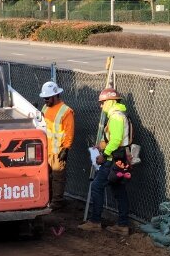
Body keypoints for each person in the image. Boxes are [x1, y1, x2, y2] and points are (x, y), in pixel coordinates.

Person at [80, 86, 133, 234]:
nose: (100, 105)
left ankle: (95, 221)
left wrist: (104, 154)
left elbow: (116, 140)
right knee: (119, 190)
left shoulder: (116, 116)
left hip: (111, 159)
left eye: (102, 102)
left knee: (97, 186)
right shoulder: (121, 114)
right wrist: (103, 145)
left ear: (110, 101)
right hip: (119, 159)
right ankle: (123, 225)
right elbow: (116, 138)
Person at [39, 79, 74, 210]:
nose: (45, 101)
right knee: (45, 177)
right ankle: (47, 199)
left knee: (58, 178)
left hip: (58, 151)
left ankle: (57, 202)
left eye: (47, 98)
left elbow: (69, 132)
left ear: (55, 96)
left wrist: (66, 148)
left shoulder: (66, 111)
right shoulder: (45, 108)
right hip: (45, 149)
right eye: (44, 98)